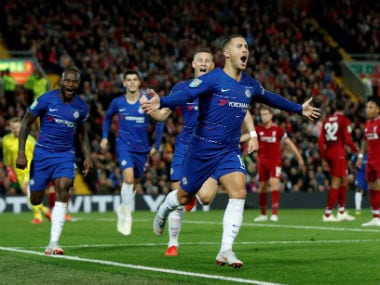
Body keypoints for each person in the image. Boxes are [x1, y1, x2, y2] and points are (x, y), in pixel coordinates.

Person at [142, 34, 320, 268]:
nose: (244, 49)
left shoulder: (249, 84)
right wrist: (162, 102)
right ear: (227, 53)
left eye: (246, 46)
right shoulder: (213, 79)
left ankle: (226, 249)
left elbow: (271, 98)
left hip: (228, 150)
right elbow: (186, 94)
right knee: (185, 197)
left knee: (239, 192)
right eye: (239, 46)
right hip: (201, 149)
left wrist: (298, 108)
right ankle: (164, 209)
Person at [149, 47, 258, 256]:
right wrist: (150, 110)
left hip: (211, 147)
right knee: (181, 195)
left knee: (206, 198)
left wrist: (253, 134)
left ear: (213, 65)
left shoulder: (222, 85)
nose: (204, 63)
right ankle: (173, 243)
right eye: (199, 60)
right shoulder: (183, 87)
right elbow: (162, 115)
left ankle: (168, 204)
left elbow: (243, 110)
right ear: (193, 64)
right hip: (186, 145)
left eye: (208, 61)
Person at [16, 66, 93, 255]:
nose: (70, 84)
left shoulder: (81, 107)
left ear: (78, 84)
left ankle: (53, 243)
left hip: (66, 155)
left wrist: (87, 155)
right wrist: (21, 153)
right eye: (67, 80)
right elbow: (26, 122)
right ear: (61, 81)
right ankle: (34, 192)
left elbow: (82, 133)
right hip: (42, 154)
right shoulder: (46, 99)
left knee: (64, 187)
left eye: (74, 82)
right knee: (35, 200)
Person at [100, 69, 164, 236]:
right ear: (124, 83)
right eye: (128, 80)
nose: (132, 82)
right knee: (127, 178)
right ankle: (127, 216)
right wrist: (105, 137)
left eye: (135, 79)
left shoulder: (146, 102)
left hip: (142, 149)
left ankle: (123, 208)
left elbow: (159, 122)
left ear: (139, 82)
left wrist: (156, 144)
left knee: (134, 182)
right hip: (123, 144)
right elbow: (107, 117)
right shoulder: (118, 102)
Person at [242, 106, 305, 222]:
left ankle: (274, 213)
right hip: (262, 162)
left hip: (274, 162)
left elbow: (289, 144)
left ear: (271, 115)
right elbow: (247, 136)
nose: (263, 116)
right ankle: (263, 214)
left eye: (266, 114)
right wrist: (235, 139)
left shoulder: (278, 130)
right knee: (262, 188)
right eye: (262, 114)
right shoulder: (258, 129)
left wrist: (299, 157)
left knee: (274, 183)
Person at [2, 117, 50, 224]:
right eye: (13, 128)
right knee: (27, 193)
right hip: (18, 171)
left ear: (22, 127)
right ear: (10, 128)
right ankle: (44, 211)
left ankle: (39, 216)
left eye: (18, 127)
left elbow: (38, 154)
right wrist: (9, 170)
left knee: (26, 189)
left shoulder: (29, 140)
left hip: (31, 169)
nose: (15, 130)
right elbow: (7, 156)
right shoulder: (6, 140)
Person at [319, 98, 358, 222]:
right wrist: (356, 149)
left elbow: (321, 141)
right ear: (345, 107)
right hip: (338, 153)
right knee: (336, 182)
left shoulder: (326, 120)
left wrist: (324, 157)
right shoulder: (344, 120)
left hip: (329, 153)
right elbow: (346, 139)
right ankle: (328, 213)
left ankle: (341, 211)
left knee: (344, 180)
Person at [355, 97, 380, 227]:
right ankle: (376, 217)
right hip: (370, 161)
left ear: (378, 109)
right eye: (367, 107)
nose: (367, 110)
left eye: (371, 107)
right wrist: (360, 156)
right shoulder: (368, 124)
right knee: (373, 188)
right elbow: (365, 142)